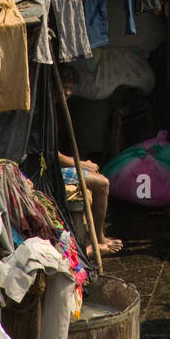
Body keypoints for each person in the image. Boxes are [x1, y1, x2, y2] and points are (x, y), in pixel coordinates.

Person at [57, 72, 122, 256]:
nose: (68, 92)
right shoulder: (48, 112)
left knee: (95, 183)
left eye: (70, 88)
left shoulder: (62, 108)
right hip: (50, 172)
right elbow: (54, 157)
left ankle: (94, 235)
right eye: (64, 87)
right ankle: (98, 239)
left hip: (60, 165)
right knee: (102, 183)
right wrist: (81, 164)